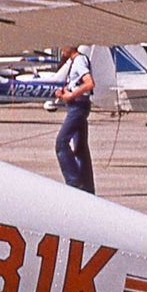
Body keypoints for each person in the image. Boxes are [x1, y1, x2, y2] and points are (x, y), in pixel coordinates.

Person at [52, 45, 95, 193]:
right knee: (80, 148)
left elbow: (89, 83)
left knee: (61, 142)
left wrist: (72, 95)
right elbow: (78, 84)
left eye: (63, 45)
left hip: (78, 106)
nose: (61, 48)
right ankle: (87, 187)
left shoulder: (79, 61)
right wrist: (65, 92)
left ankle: (74, 182)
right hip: (75, 105)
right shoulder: (74, 62)